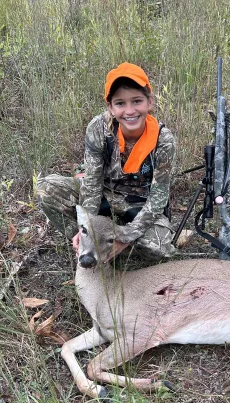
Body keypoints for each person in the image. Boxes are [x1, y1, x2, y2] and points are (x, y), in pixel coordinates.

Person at [36, 62, 176, 259]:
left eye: (137, 101)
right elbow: (92, 183)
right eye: (120, 103)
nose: (129, 111)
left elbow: (158, 197)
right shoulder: (99, 128)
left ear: (149, 102)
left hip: (138, 204)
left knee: (159, 247)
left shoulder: (164, 140)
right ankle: (86, 244)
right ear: (110, 107)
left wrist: (127, 235)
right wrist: (84, 229)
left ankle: (114, 247)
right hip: (104, 195)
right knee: (45, 188)